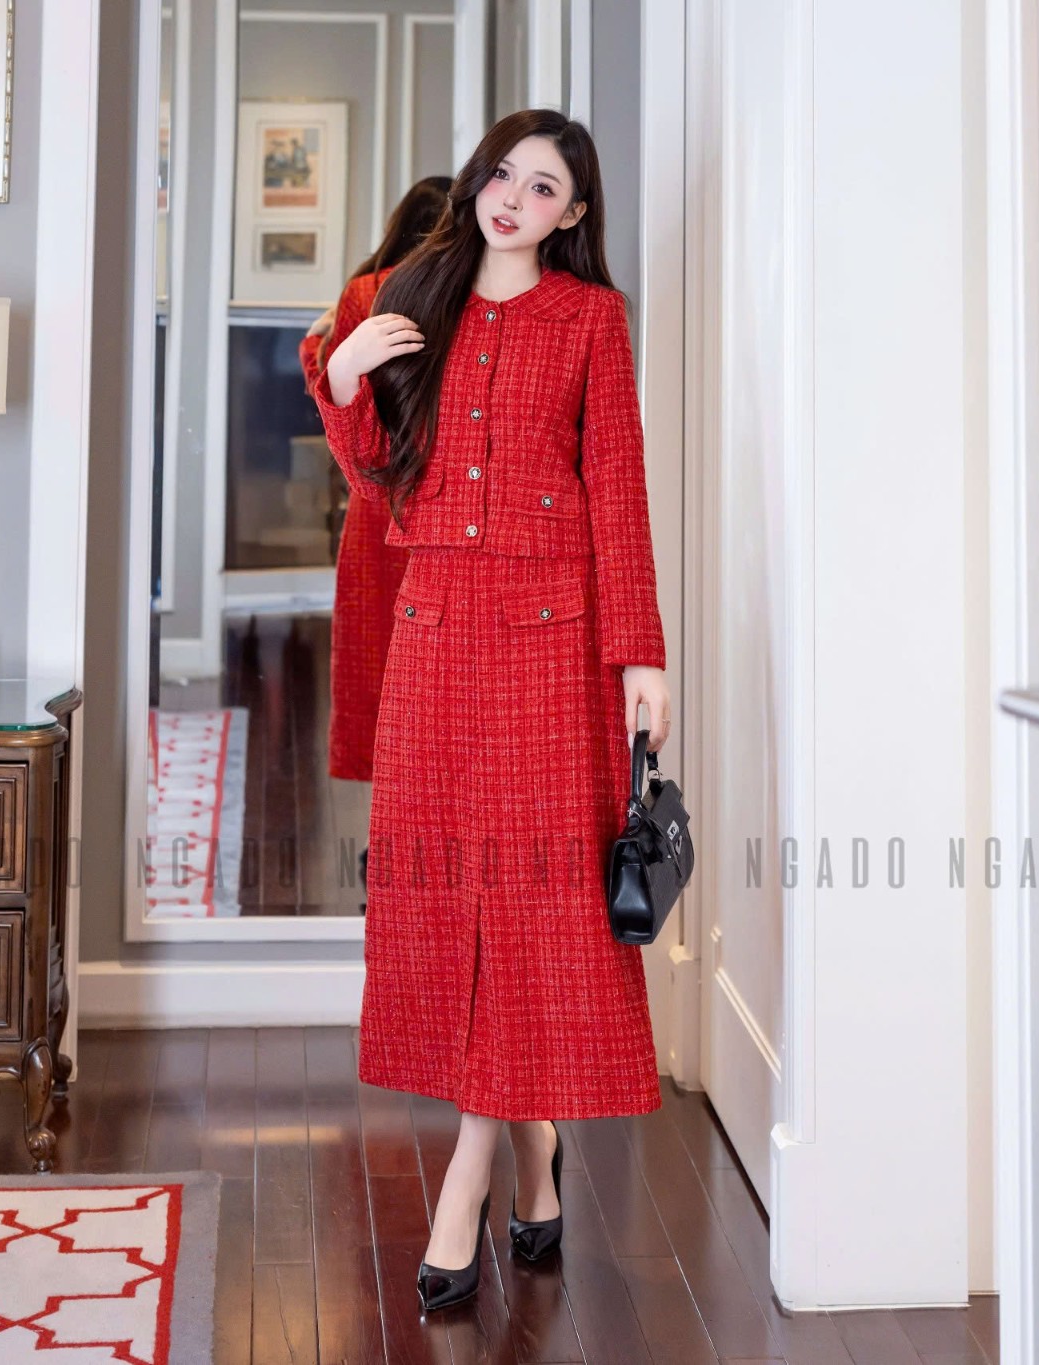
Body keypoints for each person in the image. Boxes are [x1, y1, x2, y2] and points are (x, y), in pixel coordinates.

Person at [313, 108, 673, 1312]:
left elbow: (615, 486)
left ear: (574, 213)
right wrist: (347, 380)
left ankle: (467, 1176)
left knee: (526, 904)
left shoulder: (590, 319)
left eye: (543, 186)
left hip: (549, 643)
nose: (513, 198)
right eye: (502, 175)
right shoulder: (417, 299)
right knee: (445, 897)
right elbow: (383, 484)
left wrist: (639, 654)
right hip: (433, 637)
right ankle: (532, 1155)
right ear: (477, 183)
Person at [299, 178, 451, 901]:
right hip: (448, 513)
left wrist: (322, 340)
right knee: (444, 688)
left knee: (381, 674)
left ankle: (383, 849)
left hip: (377, 513)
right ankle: (432, 847)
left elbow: (326, 380)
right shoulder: (467, 294)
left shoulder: (367, 293)